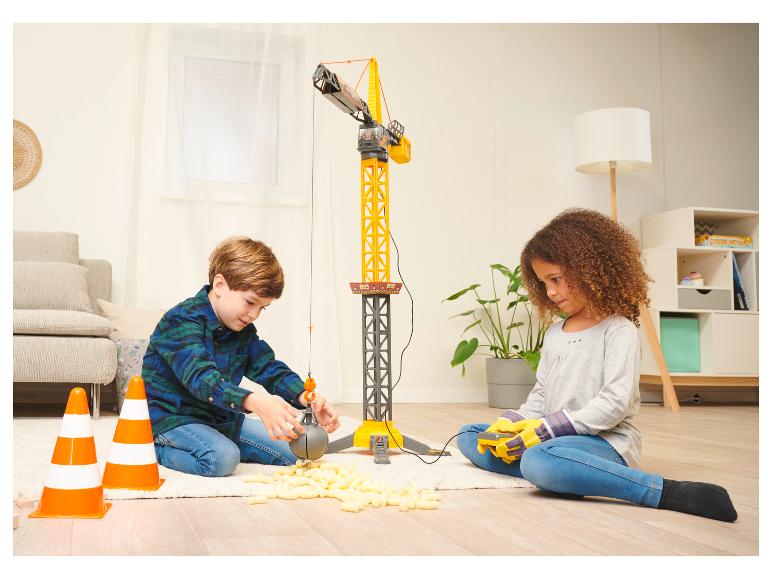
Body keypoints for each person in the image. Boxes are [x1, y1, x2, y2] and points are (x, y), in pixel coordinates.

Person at [456, 208, 737, 522]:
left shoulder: (618, 331)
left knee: (538, 459)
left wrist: (547, 431)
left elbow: (615, 403)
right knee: (471, 435)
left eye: (556, 279)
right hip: (552, 441)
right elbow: (541, 395)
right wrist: (513, 423)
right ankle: (570, 474)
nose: (550, 291)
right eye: (543, 282)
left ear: (588, 269)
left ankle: (656, 490)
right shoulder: (554, 334)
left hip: (605, 441)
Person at [142, 236, 340, 477]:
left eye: (262, 308)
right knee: (221, 459)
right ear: (220, 285)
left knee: (295, 451)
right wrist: (256, 402)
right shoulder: (180, 320)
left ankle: (215, 439)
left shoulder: (242, 330)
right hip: (172, 419)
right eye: (250, 302)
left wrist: (305, 396)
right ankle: (157, 449)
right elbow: (202, 380)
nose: (254, 314)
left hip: (219, 418)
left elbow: (268, 367)